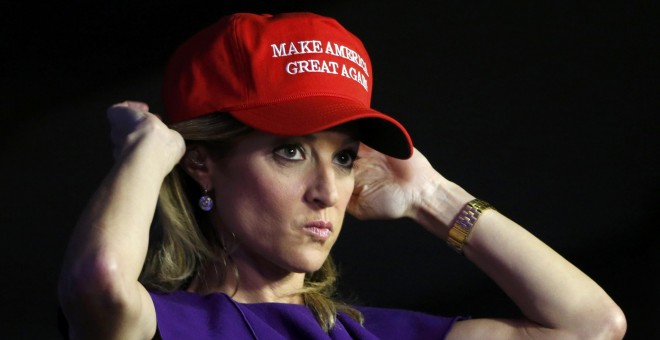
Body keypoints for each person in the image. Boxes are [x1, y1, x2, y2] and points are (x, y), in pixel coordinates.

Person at [58, 12, 626, 339]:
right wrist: (148, 154)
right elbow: (100, 280)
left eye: (345, 157)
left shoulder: (374, 334)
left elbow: (592, 327)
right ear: (202, 161)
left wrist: (432, 197)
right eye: (290, 152)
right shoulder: (163, 323)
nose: (328, 192)